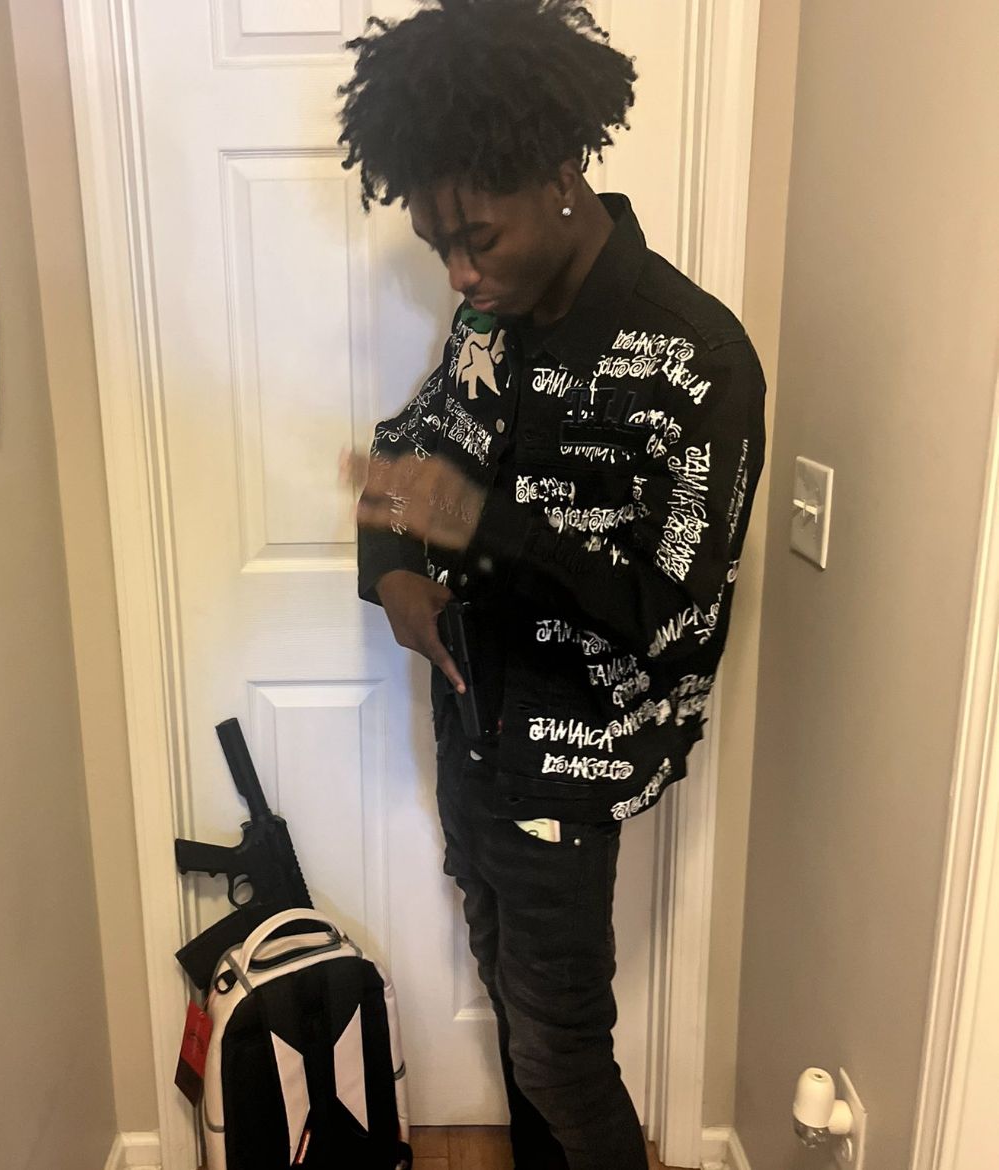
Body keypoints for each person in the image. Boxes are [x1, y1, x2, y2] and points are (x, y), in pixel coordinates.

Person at [340, 3, 766, 1167]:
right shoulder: (489, 324)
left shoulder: (696, 362)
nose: (461, 272)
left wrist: (483, 527)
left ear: (563, 178)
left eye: (477, 237)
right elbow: (408, 450)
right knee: (508, 994)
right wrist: (394, 572)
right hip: (473, 721)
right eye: (438, 245)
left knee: (560, 1055)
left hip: (570, 762)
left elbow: (673, 617)